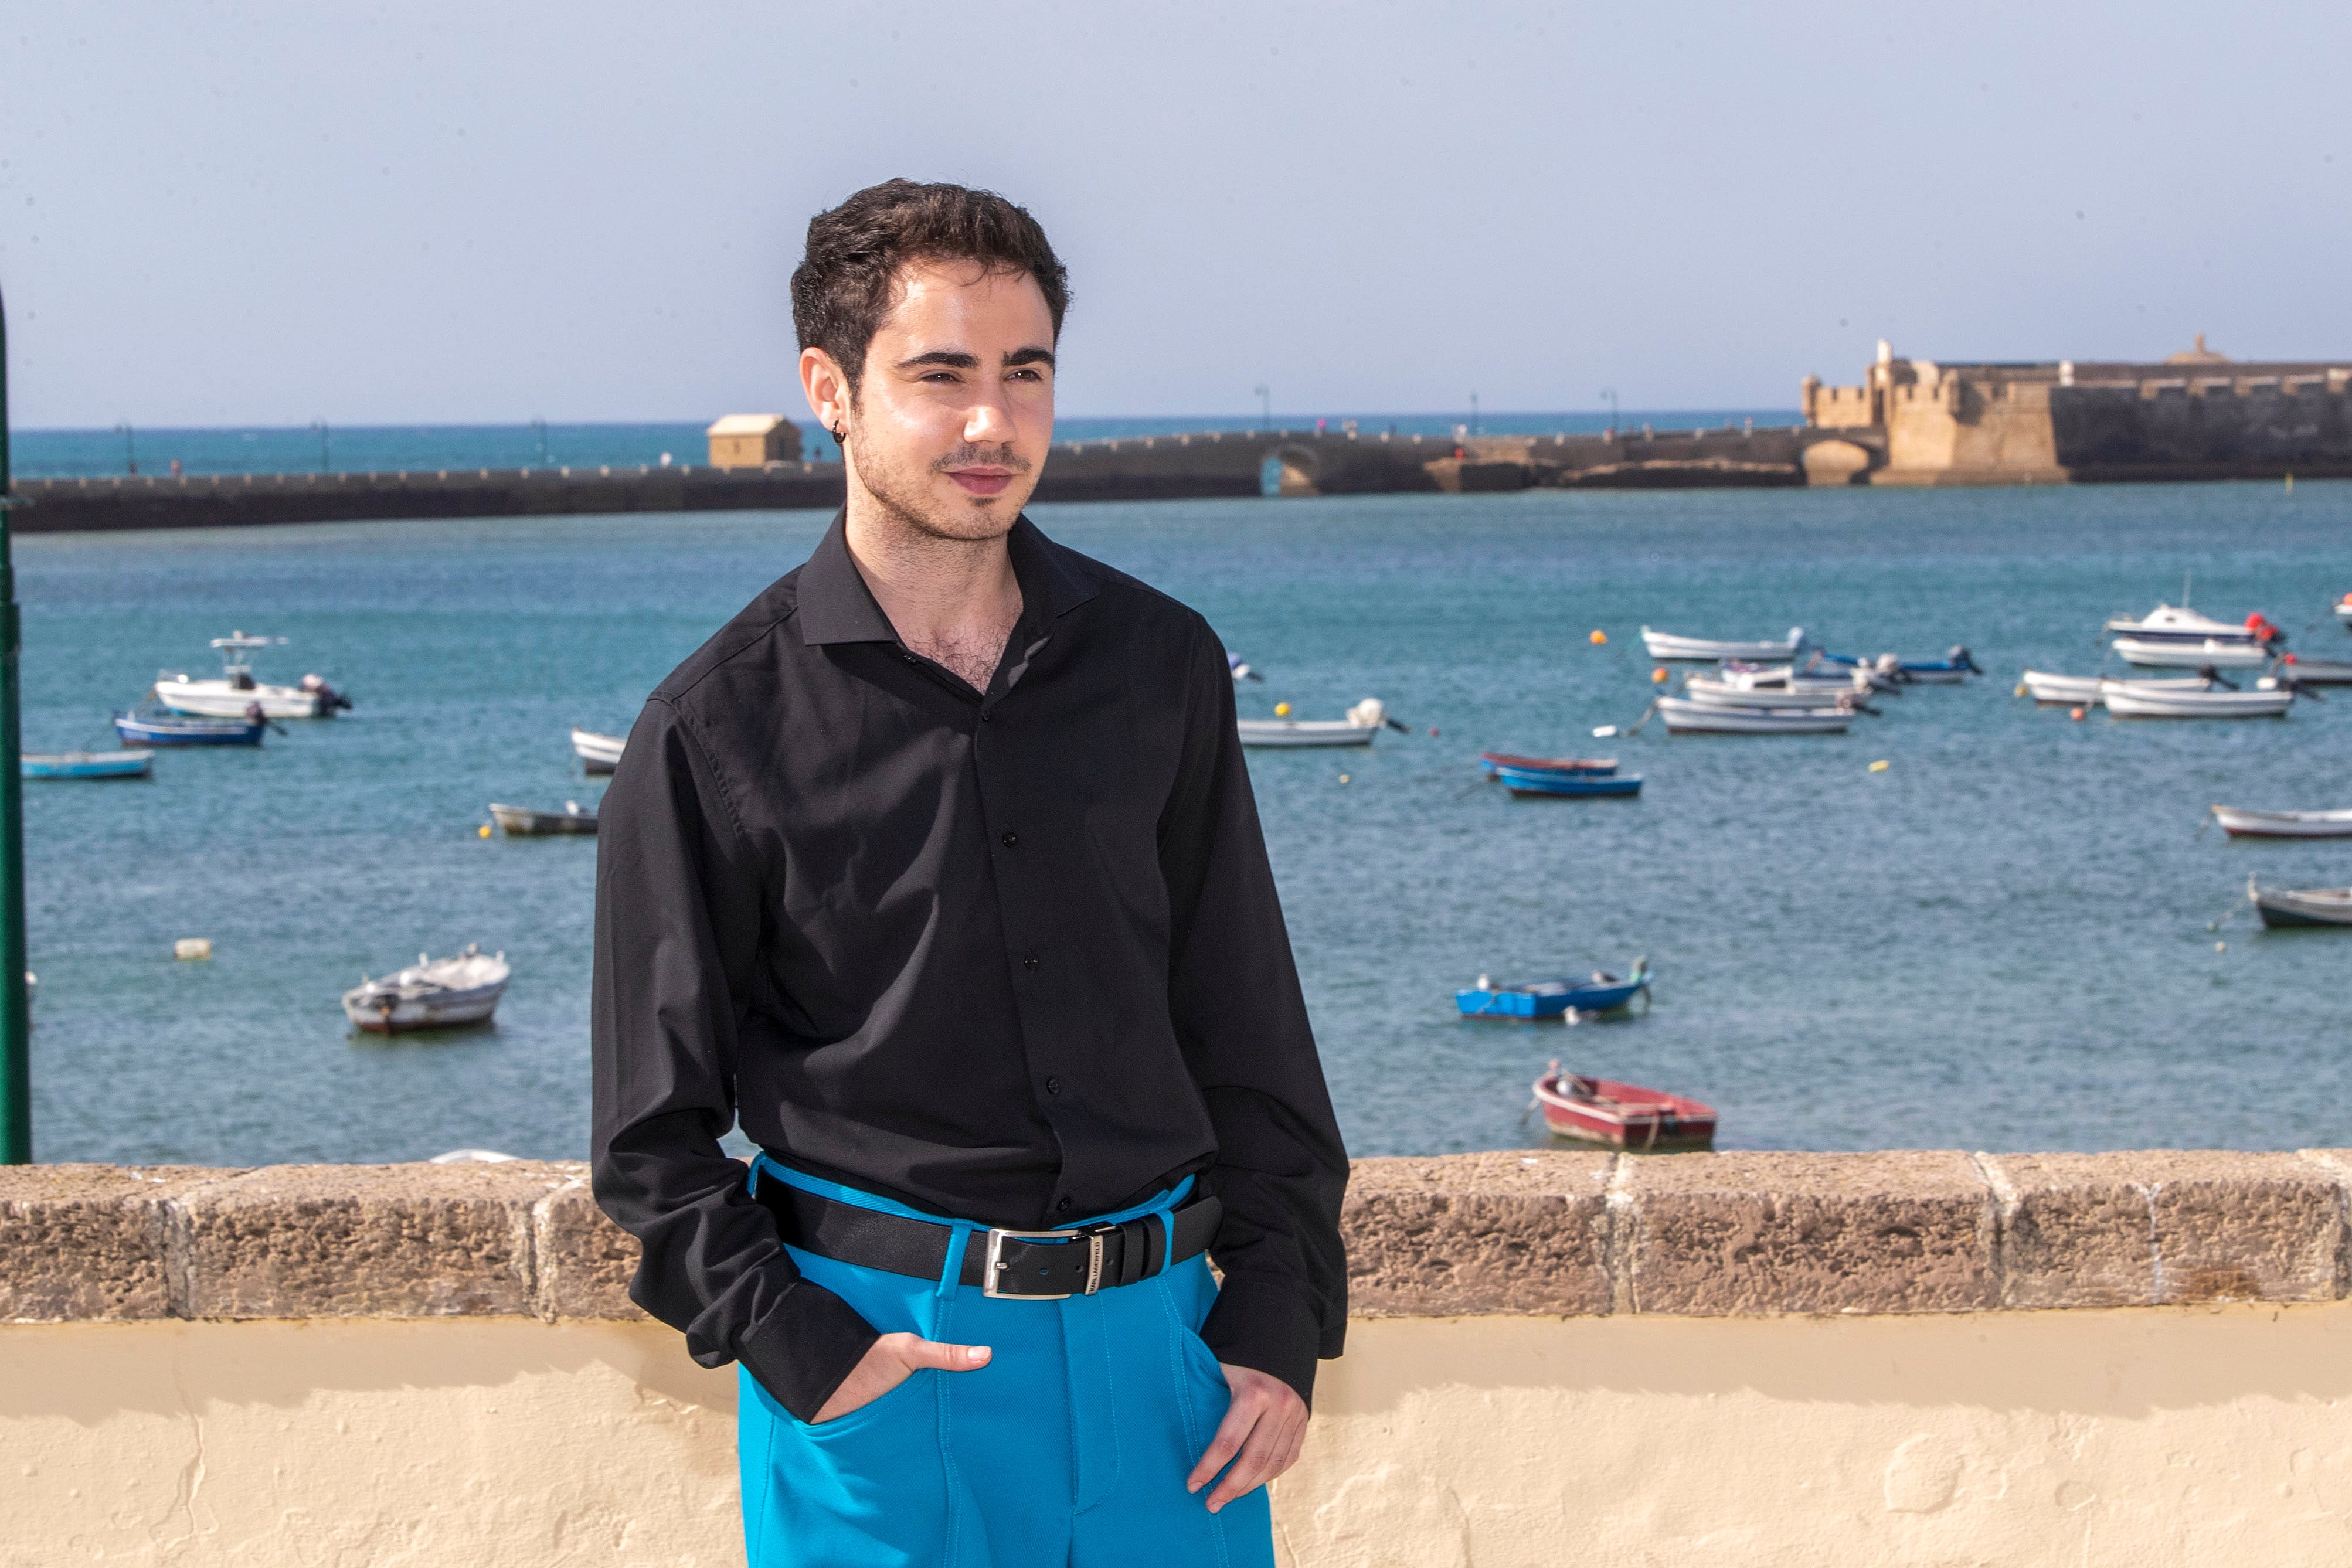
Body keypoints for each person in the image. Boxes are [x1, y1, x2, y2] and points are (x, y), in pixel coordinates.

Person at [591, 179, 1348, 1568]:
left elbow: (1244, 1023)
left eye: (1024, 373)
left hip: (1166, 1380)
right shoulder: (713, 727)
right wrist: (809, 1355)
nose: (992, 424)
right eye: (940, 376)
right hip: (888, 1373)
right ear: (830, 388)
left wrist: (1277, 1322)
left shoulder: (1160, 663)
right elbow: (649, 1140)